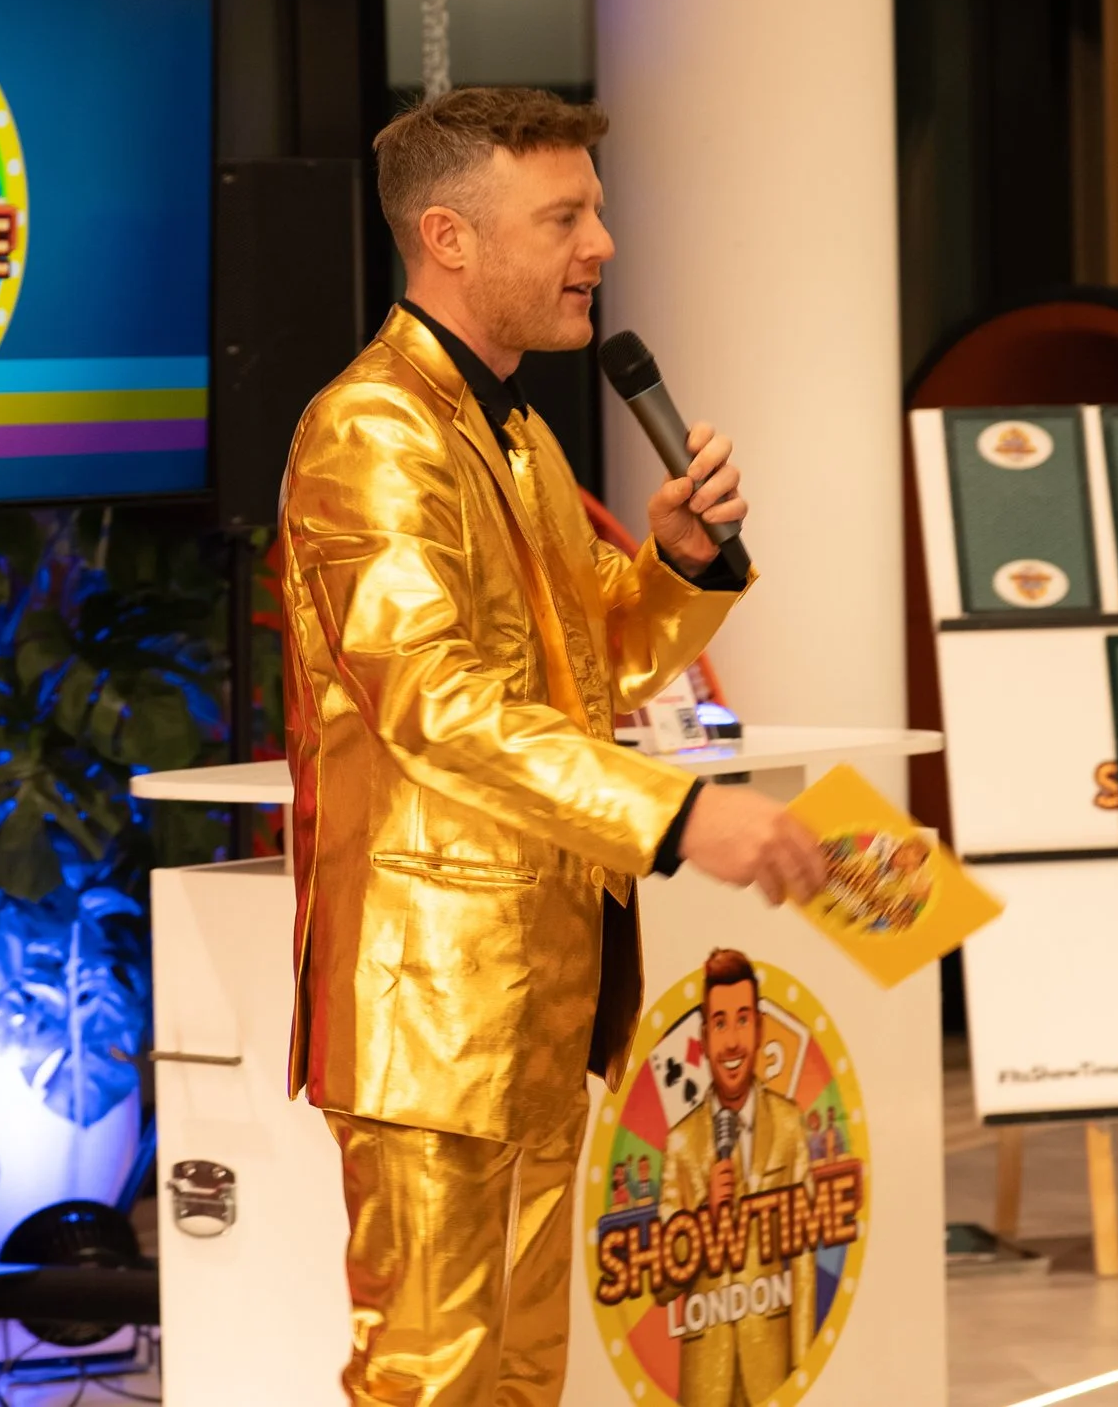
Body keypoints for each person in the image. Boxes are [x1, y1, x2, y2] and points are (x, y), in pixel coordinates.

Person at [278, 86, 827, 1407]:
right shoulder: (372, 430)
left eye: (596, 208)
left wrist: (678, 566)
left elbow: (596, 665)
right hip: (433, 998)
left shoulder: (513, 430)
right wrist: (685, 817)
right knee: (431, 1373)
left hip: (534, 990)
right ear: (450, 237)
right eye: (567, 214)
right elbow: (437, 702)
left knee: (523, 1373)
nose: (604, 244)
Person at [659, 950, 815, 1407]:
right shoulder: (683, 1142)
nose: (732, 1041)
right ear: (705, 1038)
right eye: (720, 1023)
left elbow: (803, 1263)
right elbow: (663, 1285)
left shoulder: (788, 1123)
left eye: (743, 1020)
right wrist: (704, 1217)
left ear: (760, 1029)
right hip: (705, 1373)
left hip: (773, 1369)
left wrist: (803, 1370)